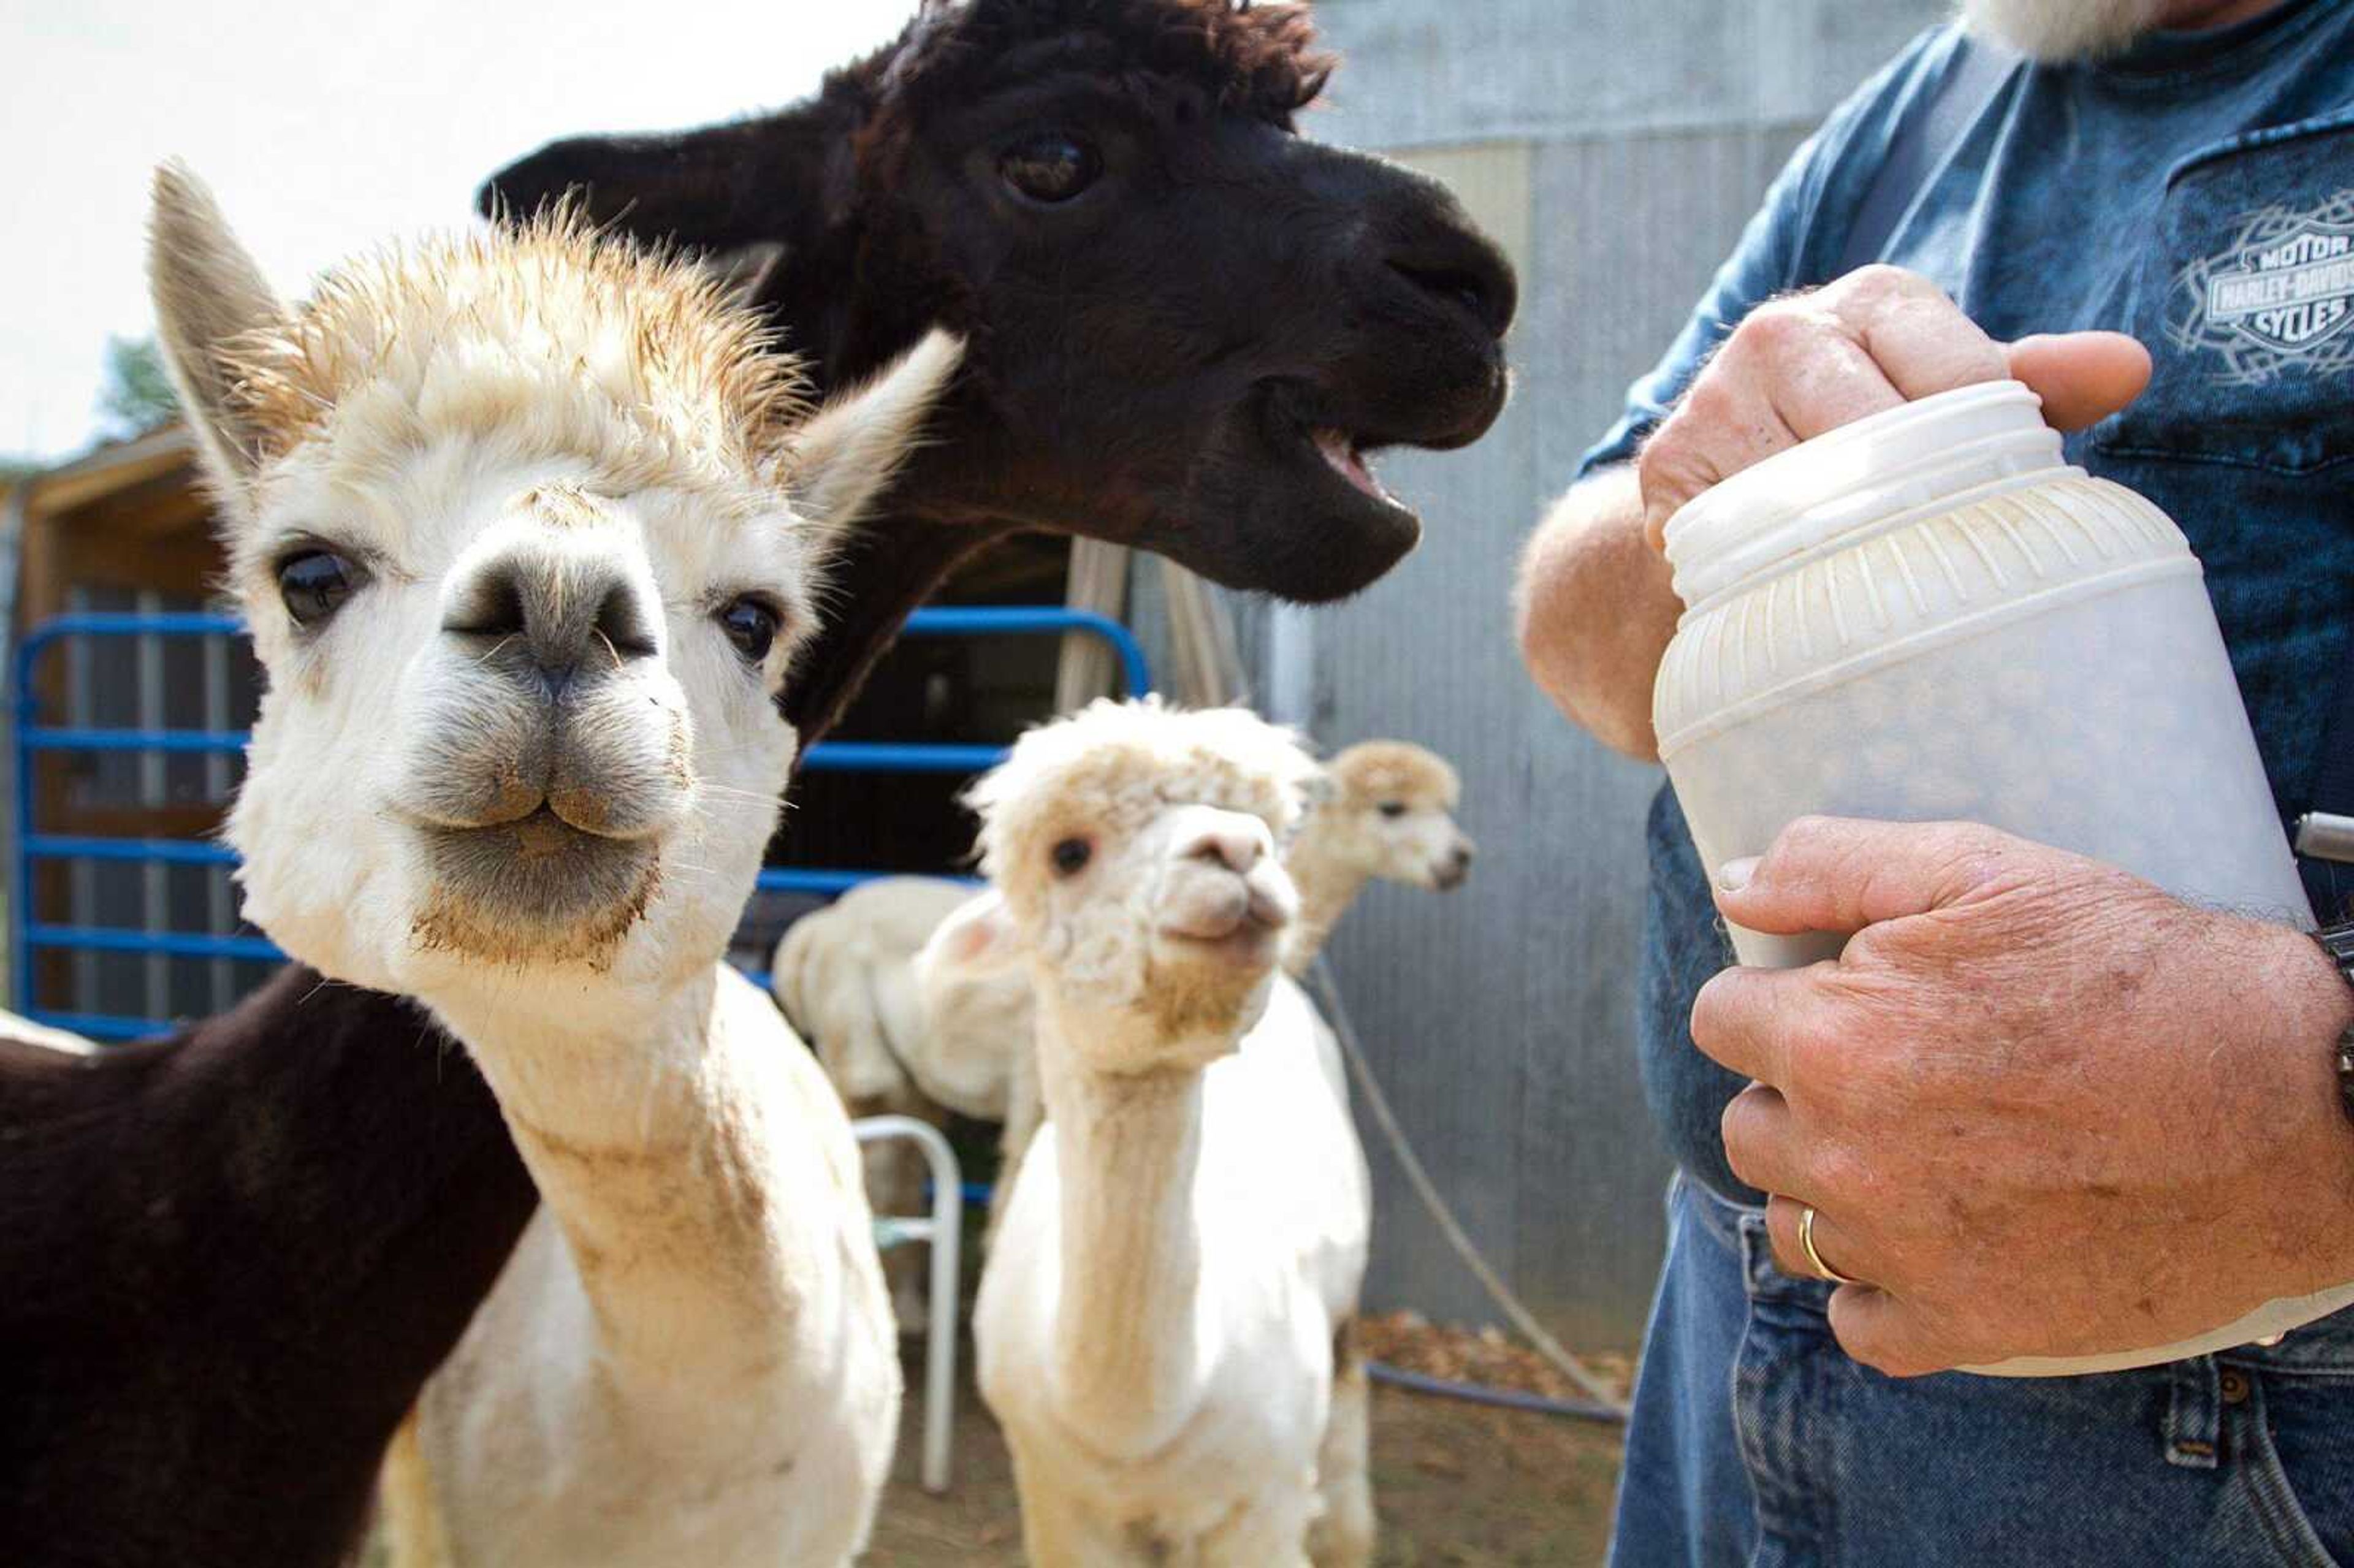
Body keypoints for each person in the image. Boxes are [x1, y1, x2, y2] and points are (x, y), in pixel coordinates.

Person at [1515, 0, 2354, 1559]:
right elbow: (1567, 631)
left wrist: (2326, 1112)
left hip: (2249, 1416)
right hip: (1742, 1317)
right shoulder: (1928, 104)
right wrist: (1697, 514)